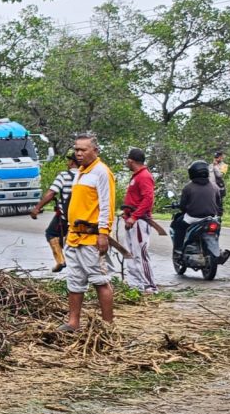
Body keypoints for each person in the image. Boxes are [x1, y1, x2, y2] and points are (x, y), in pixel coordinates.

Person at [60, 133, 116, 332]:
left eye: (83, 149)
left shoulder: (102, 172)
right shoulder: (81, 172)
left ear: (95, 150)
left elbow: (107, 205)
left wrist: (103, 233)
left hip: (91, 236)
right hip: (74, 236)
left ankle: (107, 325)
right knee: (74, 281)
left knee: (100, 280)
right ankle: (73, 322)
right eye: (76, 149)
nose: (79, 153)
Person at [171, 160, 230, 264]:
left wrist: (183, 209)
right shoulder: (215, 187)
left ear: (192, 173)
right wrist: (219, 214)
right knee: (216, 229)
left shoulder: (188, 187)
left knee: (178, 226)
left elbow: (183, 206)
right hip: (210, 218)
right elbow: (219, 204)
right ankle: (217, 250)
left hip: (193, 218)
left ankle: (178, 250)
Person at [29, 149, 77, 272]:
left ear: (72, 162)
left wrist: (37, 208)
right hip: (82, 216)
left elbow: (51, 193)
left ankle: (60, 261)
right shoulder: (87, 175)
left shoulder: (64, 176)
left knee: (51, 233)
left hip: (65, 216)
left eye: (69, 160)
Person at [121, 147, 158, 295]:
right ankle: (135, 285)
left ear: (131, 160)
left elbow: (148, 199)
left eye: (127, 161)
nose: (126, 163)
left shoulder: (144, 176)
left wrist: (134, 216)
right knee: (130, 253)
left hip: (139, 221)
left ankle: (150, 286)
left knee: (140, 254)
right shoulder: (137, 176)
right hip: (131, 220)